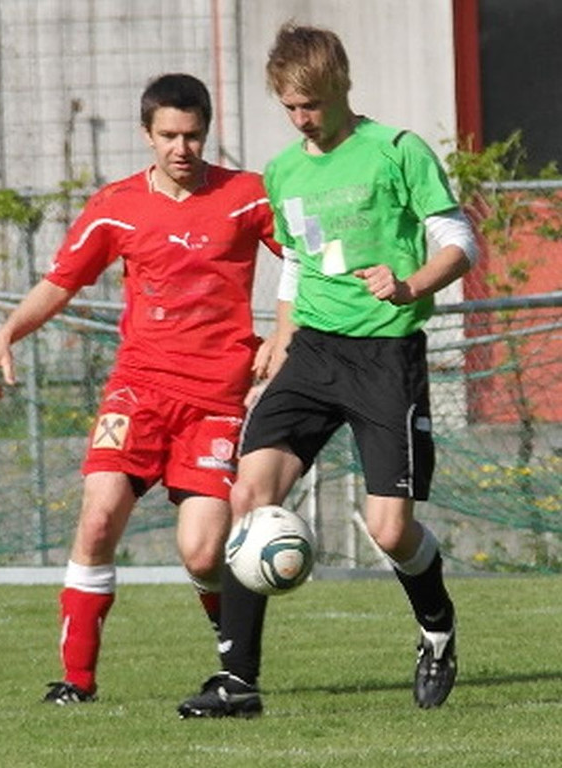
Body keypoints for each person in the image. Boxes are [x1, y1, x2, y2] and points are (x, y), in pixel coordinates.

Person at [178, 23, 479, 718]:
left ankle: (435, 627)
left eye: (310, 103)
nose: (301, 118)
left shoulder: (396, 152)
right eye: (289, 106)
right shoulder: (283, 171)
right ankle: (238, 683)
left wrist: (409, 284)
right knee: (248, 497)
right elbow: (300, 266)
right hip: (312, 351)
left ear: (341, 86)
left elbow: (456, 240)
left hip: (384, 354)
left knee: (388, 531)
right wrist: (278, 346)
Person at [0, 73, 280, 705]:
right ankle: (76, 682)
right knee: (98, 516)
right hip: (137, 392)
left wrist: (290, 338)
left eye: (192, 135)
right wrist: (6, 334)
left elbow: (306, 263)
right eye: (168, 135)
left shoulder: (247, 197)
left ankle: (236, 665)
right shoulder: (115, 205)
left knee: (201, 554)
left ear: (207, 131)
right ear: (147, 134)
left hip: (217, 401)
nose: (181, 148)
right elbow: (59, 283)